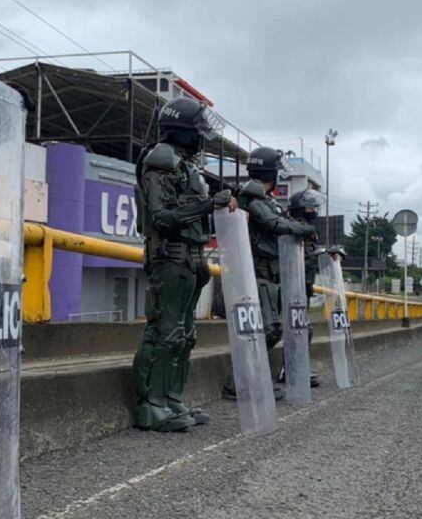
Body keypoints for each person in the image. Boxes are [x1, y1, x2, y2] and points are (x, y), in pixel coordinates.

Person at [132, 97, 236, 432]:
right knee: (166, 331)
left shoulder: (184, 164)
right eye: (198, 130)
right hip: (170, 255)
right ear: (183, 131)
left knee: (186, 335)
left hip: (191, 255)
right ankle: (152, 404)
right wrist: (208, 204)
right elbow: (162, 217)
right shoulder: (161, 159)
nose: (202, 137)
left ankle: (172, 399)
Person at [222, 147, 318, 401]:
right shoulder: (252, 198)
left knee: (273, 328)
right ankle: (240, 383)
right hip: (256, 272)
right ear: (270, 172)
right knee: (268, 328)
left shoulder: (266, 200)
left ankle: (246, 381)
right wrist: (304, 229)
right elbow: (275, 225)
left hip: (269, 274)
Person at [282, 188, 325, 388]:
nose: (314, 211)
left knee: (303, 330)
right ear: (300, 209)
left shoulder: (309, 232)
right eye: (310, 207)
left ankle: (295, 367)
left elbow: (308, 257)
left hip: (303, 286)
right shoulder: (291, 229)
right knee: (295, 329)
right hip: (289, 286)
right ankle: (289, 368)